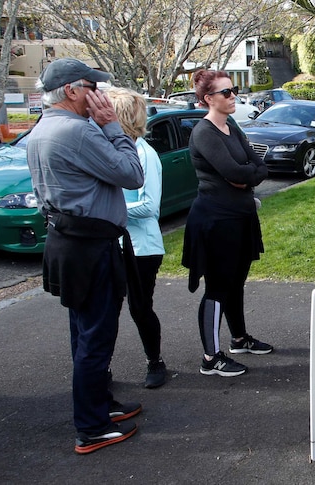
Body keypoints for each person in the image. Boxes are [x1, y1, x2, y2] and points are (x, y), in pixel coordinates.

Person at [26, 58, 144, 453]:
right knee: (96, 336)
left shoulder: (42, 128)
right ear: (74, 91)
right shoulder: (77, 132)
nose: (101, 94)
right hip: (90, 247)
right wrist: (112, 125)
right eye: (94, 86)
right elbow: (132, 174)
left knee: (83, 331)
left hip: (68, 241)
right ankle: (91, 426)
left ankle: (99, 406)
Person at [182, 70, 272, 378]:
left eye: (233, 90)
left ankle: (238, 339)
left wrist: (245, 176)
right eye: (226, 92)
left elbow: (259, 166)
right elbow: (235, 172)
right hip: (215, 221)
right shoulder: (204, 132)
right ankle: (210, 357)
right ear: (208, 99)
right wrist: (244, 175)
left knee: (236, 282)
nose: (233, 96)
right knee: (218, 287)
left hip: (240, 217)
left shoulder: (230, 126)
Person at [105, 87, 168, 388]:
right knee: (107, 309)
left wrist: (109, 209)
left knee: (139, 308)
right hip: (112, 244)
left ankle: (155, 362)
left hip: (142, 248)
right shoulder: (112, 151)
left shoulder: (145, 154)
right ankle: (101, 368)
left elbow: (150, 207)